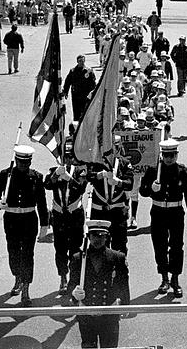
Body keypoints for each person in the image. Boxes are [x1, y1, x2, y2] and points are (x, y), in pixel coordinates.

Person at [139, 140, 187, 298]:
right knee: (160, 246)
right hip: (158, 212)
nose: (169, 158)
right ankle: (164, 278)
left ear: (176, 155)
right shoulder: (154, 171)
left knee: (176, 246)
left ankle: (175, 279)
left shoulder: (182, 171)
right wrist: (151, 189)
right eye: (166, 155)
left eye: (172, 155)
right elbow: (142, 191)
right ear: (162, 155)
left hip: (175, 213)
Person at [0, 145, 49, 306]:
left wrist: (45, 224)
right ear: (16, 160)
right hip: (12, 219)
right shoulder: (6, 175)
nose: (24, 166)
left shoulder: (37, 177)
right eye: (21, 162)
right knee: (14, 252)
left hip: (29, 219)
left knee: (28, 254)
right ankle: (17, 277)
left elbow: (42, 202)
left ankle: (26, 289)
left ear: (30, 162)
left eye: (27, 163)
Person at [69, 219, 130, 349]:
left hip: (109, 315)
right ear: (88, 237)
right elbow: (72, 284)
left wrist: (125, 305)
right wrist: (74, 293)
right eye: (95, 235)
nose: (98, 239)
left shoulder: (117, 258)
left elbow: (123, 284)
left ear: (107, 237)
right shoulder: (78, 259)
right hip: (87, 315)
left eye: (102, 236)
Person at [44, 143, 87, 294]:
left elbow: (81, 188)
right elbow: (47, 185)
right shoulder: (54, 170)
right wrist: (56, 175)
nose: (67, 159)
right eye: (65, 156)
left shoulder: (81, 171)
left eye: (70, 156)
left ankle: (74, 280)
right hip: (60, 216)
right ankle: (63, 277)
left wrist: (69, 179)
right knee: (60, 249)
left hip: (75, 215)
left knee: (75, 249)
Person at [86, 141, 133, 256]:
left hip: (117, 211)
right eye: (108, 149)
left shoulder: (124, 163)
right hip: (99, 211)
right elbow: (88, 176)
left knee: (119, 245)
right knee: (100, 246)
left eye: (115, 148)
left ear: (118, 149)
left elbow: (130, 183)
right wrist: (99, 175)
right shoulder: (96, 162)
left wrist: (119, 182)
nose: (111, 151)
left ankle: (119, 272)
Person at [63, 54, 97, 122]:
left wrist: (93, 92)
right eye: (80, 61)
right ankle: (76, 126)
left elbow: (93, 83)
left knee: (85, 111)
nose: (81, 62)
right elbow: (68, 82)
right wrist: (65, 91)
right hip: (76, 95)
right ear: (77, 61)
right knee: (76, 112)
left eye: (82, 61)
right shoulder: (72, 71)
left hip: (85, 95)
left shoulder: (88, 71)